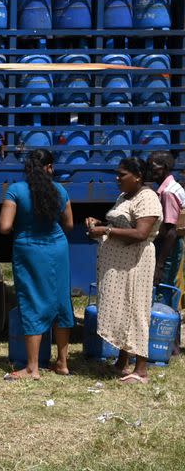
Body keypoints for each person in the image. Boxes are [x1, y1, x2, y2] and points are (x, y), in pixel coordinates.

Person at [0, 150, 74, 380]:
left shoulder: (16, 190)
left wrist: (22, 227)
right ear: (49, 167)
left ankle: (32, 368)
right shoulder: (60, 190)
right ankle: (62, 363)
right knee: (61, 301)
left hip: (30, 249)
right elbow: (69, 224)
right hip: (58, 248)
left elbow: (4, 226)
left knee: (33, 301)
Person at [86, 157, 162, 384]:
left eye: (122, 174)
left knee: (135, 308)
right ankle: (122, 361)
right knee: (122, 309)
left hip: (135, 263)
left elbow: (140, 233)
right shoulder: (124, 196)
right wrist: (97, 223)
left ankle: (141, 370)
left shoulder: (147, 198)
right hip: (119, 264)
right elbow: (122, 224)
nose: (117, 178)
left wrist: (105, 230)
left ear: (138, 176)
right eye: (117, 174)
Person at [147, 151, 185, 287]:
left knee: (164, 288)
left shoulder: (168, 193)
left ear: (164, 167)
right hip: (170, 245)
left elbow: (171, 231)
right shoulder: (168, 189)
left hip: (170, 247)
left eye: (152, 167)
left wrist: (159, 266)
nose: (149, 171)